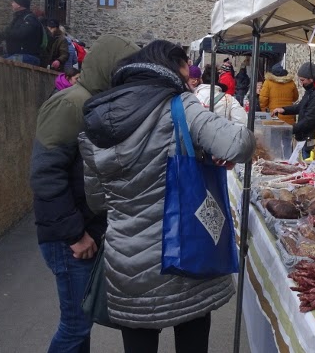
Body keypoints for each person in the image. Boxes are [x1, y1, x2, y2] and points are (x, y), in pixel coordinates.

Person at [79, 40, 255, 353]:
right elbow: (239, 144)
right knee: (192, 337)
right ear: (174, 65)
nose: (191, 77)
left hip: (125, 261)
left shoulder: (97, 117)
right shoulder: (179, 106)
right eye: (188, 68)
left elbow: (97, 201)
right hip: (185, 253)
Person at [30, 34, 138, 353]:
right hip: (70, 238)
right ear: (109, 70)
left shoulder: (95, 101)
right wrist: (75, 235)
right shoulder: (72, 103)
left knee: (82, 322)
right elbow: (45, 174)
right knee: (75, 326)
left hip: (84, 230)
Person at [271, 62, 315, 156]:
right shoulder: (311, 90)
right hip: (306, 137)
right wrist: (284, 110)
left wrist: (291, 129)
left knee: (308, 165)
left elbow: (311, 119)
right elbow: (301, 106)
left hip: (313, 138)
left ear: (311, 79)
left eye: (302, 80)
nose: (301, 83)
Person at [0, 0, 44, 65]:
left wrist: (5, 34)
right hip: (15, 54)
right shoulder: (18, 18)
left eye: (13, 2)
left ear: (19, 4)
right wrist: (0, 36)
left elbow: (21, 33)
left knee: (3, 64)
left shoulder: (30, 18)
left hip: (28, 56)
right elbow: (10, 32)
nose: (11, 4)